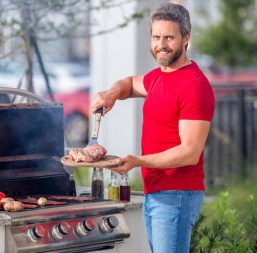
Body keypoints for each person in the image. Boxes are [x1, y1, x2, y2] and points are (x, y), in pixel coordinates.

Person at [91, 3, 215, 253]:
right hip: (156, 193)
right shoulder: (159, 76)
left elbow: (190, 152)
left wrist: (138, 161)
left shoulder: (194, 85)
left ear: (186, 38)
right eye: (156, 37)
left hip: (176, 195)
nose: (161, 44)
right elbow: (128, 84)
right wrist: (111, 94)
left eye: (169, 37)